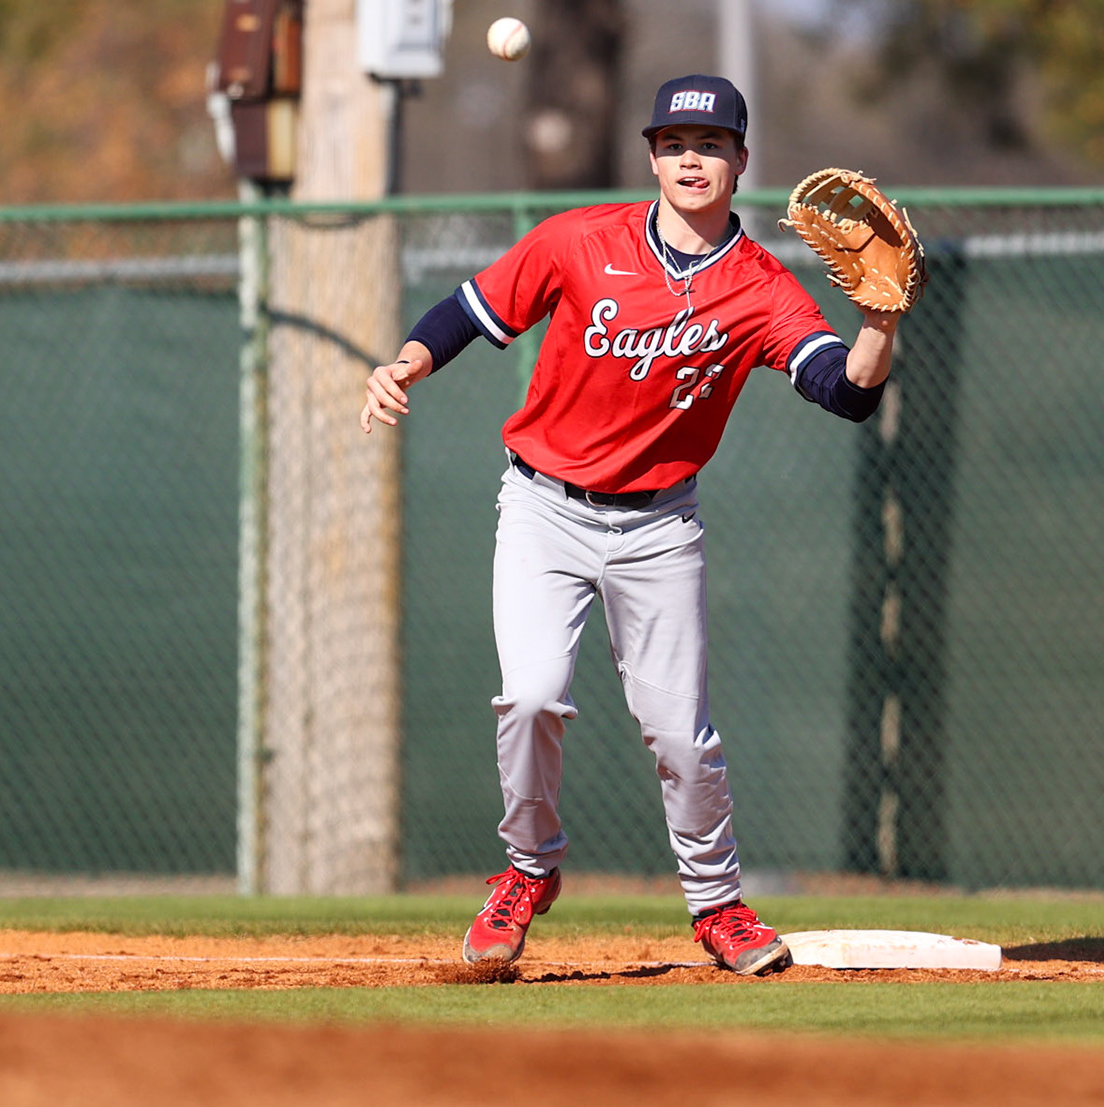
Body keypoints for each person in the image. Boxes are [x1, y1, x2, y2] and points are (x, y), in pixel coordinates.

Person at [360, 74, 899, 975]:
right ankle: (527, 872)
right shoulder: (579, 240)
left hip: (657, 526)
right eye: (675, 144)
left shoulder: (760, 287)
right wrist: (406, 363)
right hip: (543, 507)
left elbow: (845, 393)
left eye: (712, 145)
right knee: (530, 697)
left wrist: (880, 321)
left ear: (741, 160)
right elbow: (470, 309)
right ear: (651, 156)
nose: (692, 159)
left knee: (681, 734)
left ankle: (718, 906)